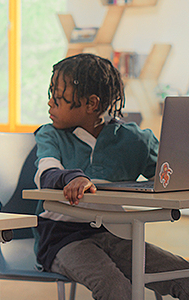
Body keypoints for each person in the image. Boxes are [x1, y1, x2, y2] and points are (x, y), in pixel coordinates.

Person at [34, 53, 189, 300]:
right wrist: (72, 178)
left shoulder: (134, 140)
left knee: (184, 275)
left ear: (91, 104)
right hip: (63, 238)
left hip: (119, 234)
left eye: (59, 96)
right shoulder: (50, 135)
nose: (50, 103)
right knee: (115, 287)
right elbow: (47, 173)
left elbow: (169, 174)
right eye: (51, 93)